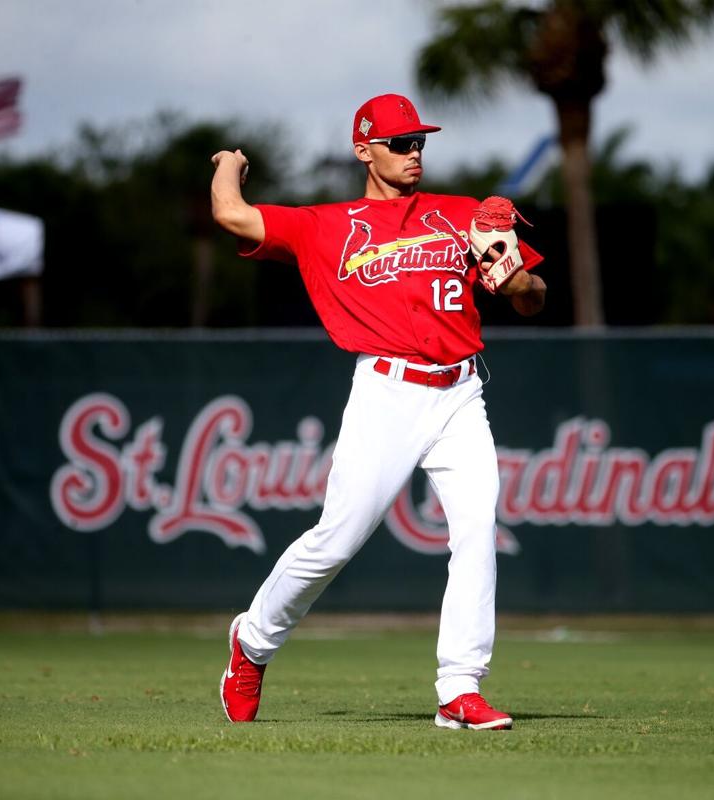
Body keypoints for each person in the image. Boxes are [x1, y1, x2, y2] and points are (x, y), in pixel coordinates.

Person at [210, 93, 547, 731]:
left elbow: (532, 297)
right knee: (337, 539)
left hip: (460, 391)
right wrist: (230, 162)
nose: (414, 153)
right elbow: (230, 214)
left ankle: (459, 689)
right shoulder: (324, 225)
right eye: (400, 143)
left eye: (420, 141)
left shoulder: (462, 215)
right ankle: (252, 644)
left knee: (478, 529)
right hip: (386, 390)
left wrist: (513, 280)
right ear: (365, 150)